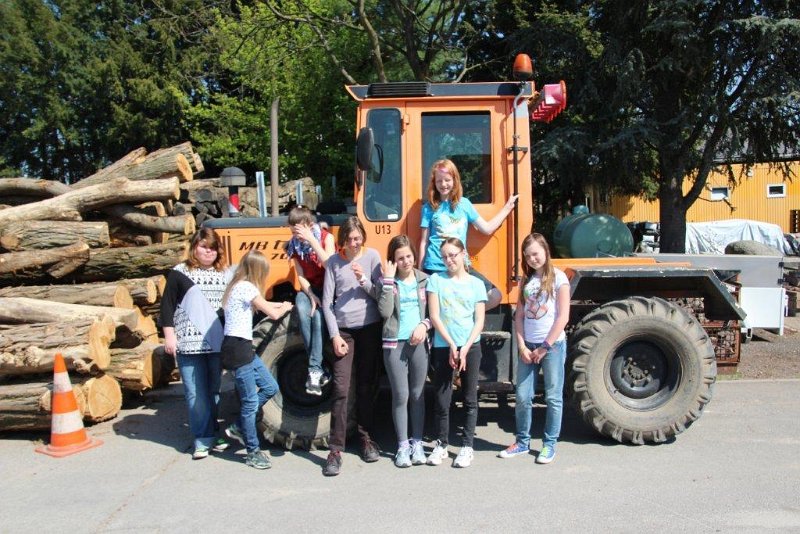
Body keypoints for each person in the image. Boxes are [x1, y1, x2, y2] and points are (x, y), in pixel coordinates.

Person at [498, 233, 570, 464]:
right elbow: (518, 316)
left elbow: (563, 318)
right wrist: (521, 345)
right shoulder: (526, 281)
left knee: (553, 397)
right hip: (528, 346)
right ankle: (522, 442)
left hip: (552, 347)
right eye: (528, 256)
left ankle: (549, 445)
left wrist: (545, 347)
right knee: (522, 397)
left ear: (546, 251)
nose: (532, 259)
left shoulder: (559, 279)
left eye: (536, 254)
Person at [161, 228, 232, 460]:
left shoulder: (224, 274)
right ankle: (202, 439)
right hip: (189, 344)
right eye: (204, 246)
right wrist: (169, 336)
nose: (208, 252)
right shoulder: (180, 273)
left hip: (216, 344)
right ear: (194, 247)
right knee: (195, 394)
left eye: (212, 247)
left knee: (213, 392)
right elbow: (167, 306)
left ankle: (213, 433)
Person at [321, 216, 383, 476]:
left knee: (367, 385)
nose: (354, 245)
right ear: (342, 242)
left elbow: (381, 293)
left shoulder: (373, 257)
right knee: (341, 388)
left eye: (358, 239)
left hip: (369, 328)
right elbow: (327, 303)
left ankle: (365, 438)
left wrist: (364, 281)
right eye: (349, 241)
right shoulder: (334, 263)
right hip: (344, 331)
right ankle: (335, 449)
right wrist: (334, 335)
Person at [221, 250, 293, 470]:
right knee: (251, 402)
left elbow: (270, 308)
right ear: (257, 270)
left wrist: (281, 306)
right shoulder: (246, 287)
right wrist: (286, 306)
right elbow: (272, 313)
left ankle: (240, 426)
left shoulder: (237, 286)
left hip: (243, 348)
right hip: (238, 349)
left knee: (270, 387)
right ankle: (252, 451)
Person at [418, 158, 517, 310]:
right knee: (441, 306)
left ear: (454, 180)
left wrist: (507, 208)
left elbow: (487, 228)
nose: (443, 184)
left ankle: (465, 316)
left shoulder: (464, 205)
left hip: (461, 265)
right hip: (435, 266)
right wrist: (419, 272)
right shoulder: (429, 207)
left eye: (447, 180)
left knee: (495, 295)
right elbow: (424, 241)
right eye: (439, 181)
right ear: (434, 183)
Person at [426, 237, 487, 468]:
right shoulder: (436, 281)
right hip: (444, 347)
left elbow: (479, 321)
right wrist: (452, 345)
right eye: (444, 257)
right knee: (442, 399)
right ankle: (441, 445)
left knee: (470, 398)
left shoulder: (476, 284)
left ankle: (467, 446)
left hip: (471, 347)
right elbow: (434, 316)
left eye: (452, 255)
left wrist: (465, 347)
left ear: (463, 254)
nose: (449, 260)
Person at [377, 235, 431, 468]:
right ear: (393, 261)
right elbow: (385, 312)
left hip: (419, 344)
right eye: (400, 258)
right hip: (394, 344)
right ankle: (402, 446)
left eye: (408, 256)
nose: (406, 261)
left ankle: (417, 443)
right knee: (401, 395)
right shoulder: (386, 282)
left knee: (418, 394)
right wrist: (388, 280)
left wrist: (424, 325)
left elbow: (435, 313)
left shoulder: (426, 281)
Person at [286, 206, 336, 395]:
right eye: (292, 232)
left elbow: (330, 266)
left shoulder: (326, 238)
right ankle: (317, 370)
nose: (296, 236)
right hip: (310, 289)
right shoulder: (293, 246)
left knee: (317, 317)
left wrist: (312, 240)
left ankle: (315, 369)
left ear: (310, 225)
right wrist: (311, 295)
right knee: (303, 309)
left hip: (329, 288)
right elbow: (300, 275)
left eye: (298, 231)